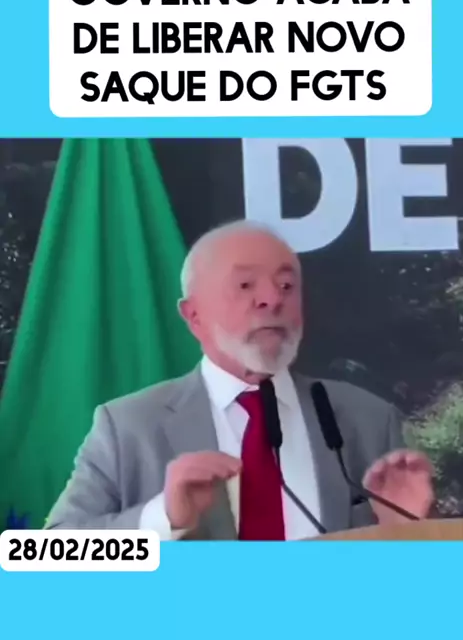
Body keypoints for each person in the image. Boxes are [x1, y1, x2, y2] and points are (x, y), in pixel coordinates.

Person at [45, 221, 434, 539]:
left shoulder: (367, 420)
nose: (272, 299)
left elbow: (409, 579)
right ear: (194, 316)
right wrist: (163, 518)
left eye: (286, 286)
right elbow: (53, 556)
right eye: (246, 285)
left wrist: (401, 532)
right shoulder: (129, 427)